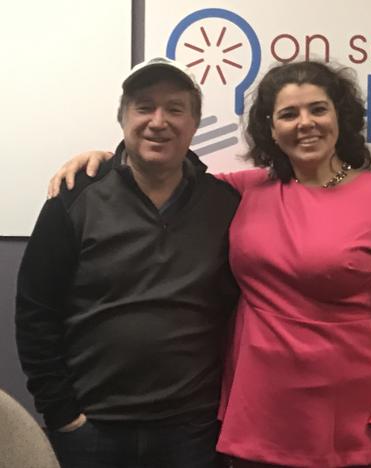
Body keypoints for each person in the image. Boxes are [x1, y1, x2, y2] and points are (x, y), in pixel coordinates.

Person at [46, 61, 371, 467]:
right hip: (258, 420)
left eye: (318, 109)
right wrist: (108, 160)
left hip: (352, 425)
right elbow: (164, 171)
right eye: (288, 114)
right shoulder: (244, 191)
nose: (305, 123)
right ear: (271, 129)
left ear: (339, 116)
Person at [16, 57, 240, 468]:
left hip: (191, 432)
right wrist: (63, 416)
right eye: (144, 106)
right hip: (91, 429)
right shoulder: (75, 195)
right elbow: (35, 312)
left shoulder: (224, 205)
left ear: (194, 124)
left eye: (175, 108)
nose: (159, 121)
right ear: (122, 118)